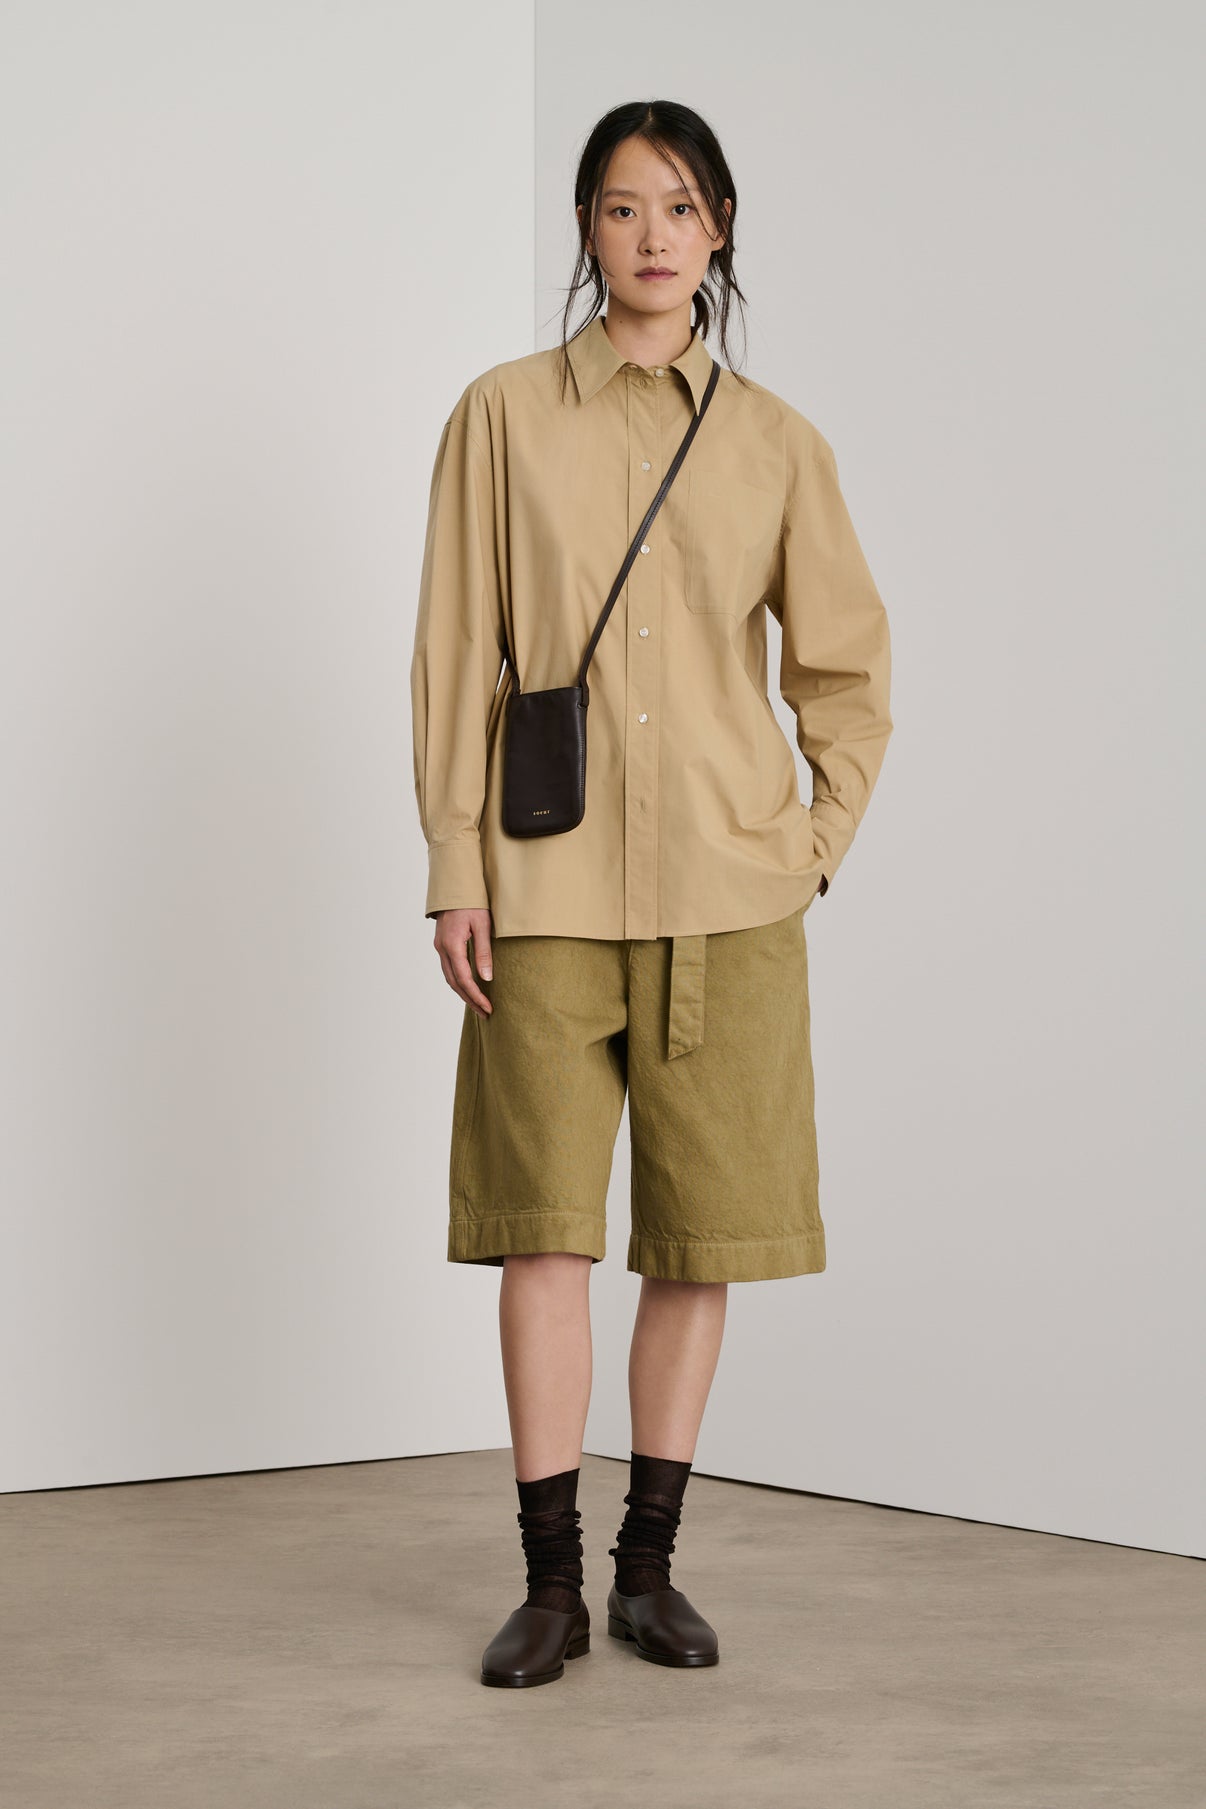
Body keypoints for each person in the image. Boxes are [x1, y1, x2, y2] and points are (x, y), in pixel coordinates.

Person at [409, 99, 893, 1689]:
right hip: (543, 893)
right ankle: (548, 1583)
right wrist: (455, 862)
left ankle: (646, 1570)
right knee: (542, 1237)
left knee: (699, 1239)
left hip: (726, 899)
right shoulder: (498, 417)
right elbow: (454, 653)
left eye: (680, 206)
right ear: (586, 230)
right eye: (622, 207)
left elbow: (844, 672)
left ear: (720, 226)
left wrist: (808, 844)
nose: (653, 235)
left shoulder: (774, 442)